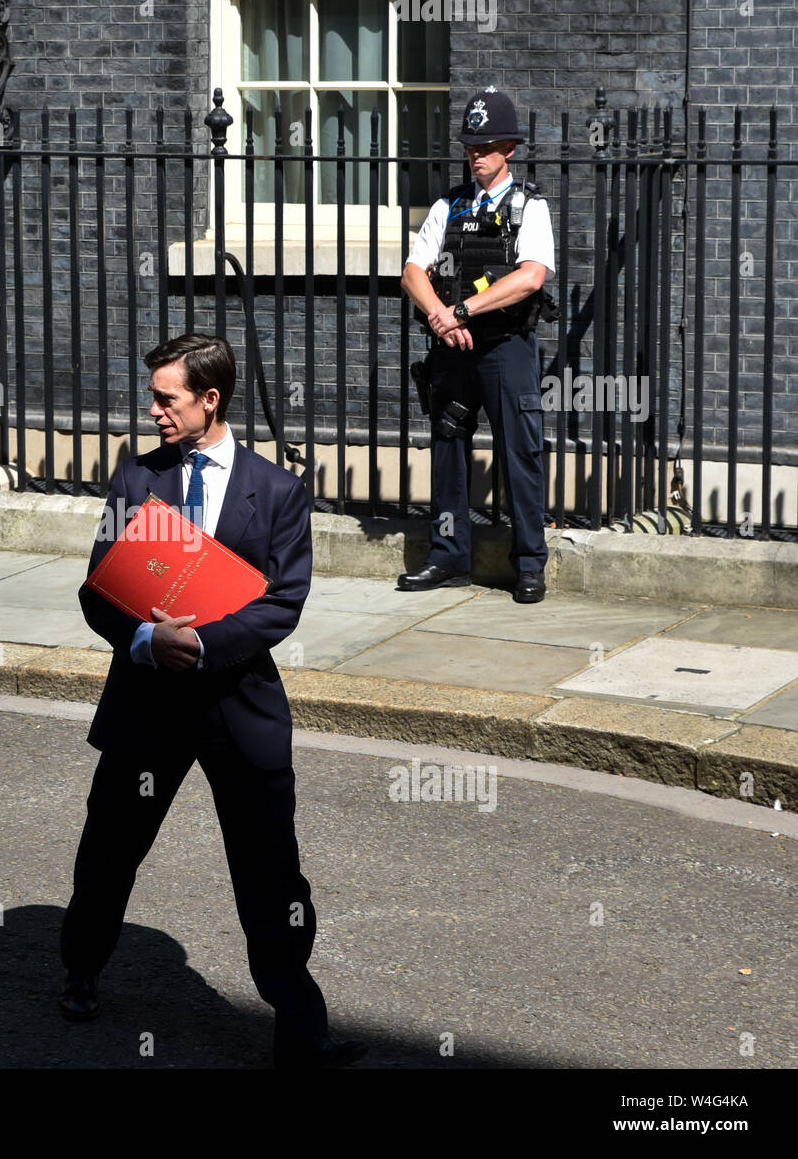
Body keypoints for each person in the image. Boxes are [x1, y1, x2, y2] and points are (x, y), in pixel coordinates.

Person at [59, 334, 366, 1069]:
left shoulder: (280, 490)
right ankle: (81, 967)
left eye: (168, 398)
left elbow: (283, 603)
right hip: (147, 704)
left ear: (210, 399)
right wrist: (143, 642)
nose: (156, 410)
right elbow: (97, 592)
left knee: (271, 872)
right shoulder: (136, 478)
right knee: (109, 849)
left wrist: (200, 645)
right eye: (155, 396)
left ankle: (299, 1021)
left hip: (237, 705)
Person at [400, 86, 557, 604]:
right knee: (447, 449)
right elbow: (412, 273)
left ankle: (530, 563)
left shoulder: (529, 207)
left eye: (487, 145)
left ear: (509, 148)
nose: (477, 153)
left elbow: (531, 277)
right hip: (453, 347)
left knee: (520, 454)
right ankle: (448, 557)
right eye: (471, 144)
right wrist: (442, 319)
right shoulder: (449, 204)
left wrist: (461, 310)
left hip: (506, 346)